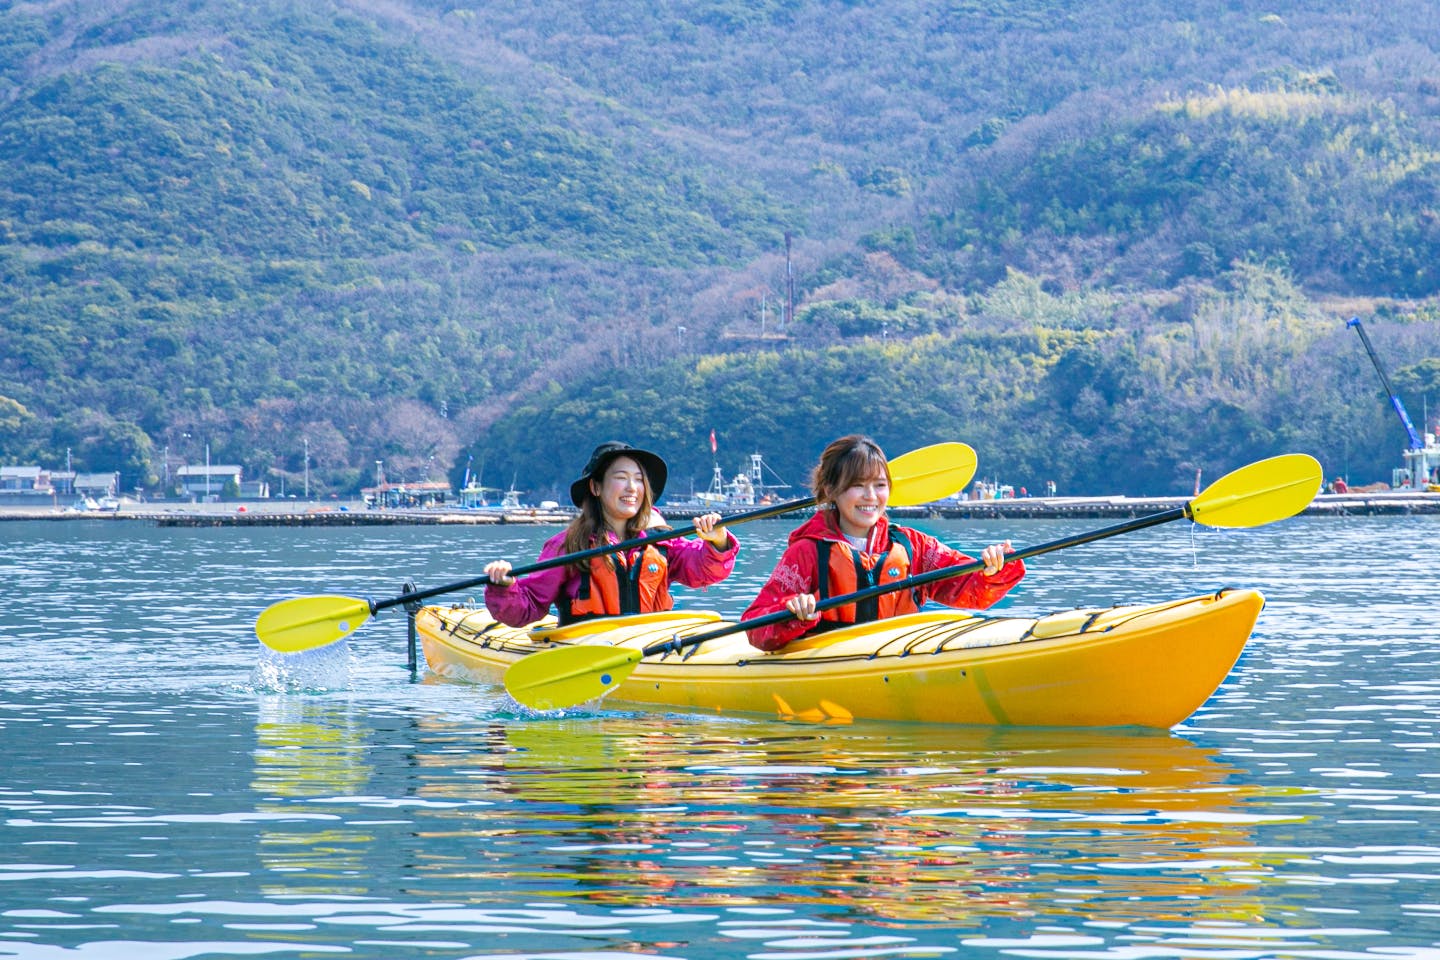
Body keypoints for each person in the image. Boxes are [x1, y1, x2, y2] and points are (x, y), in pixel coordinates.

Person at [742, 434, 1025, 651]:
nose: (870, 496)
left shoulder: (913, 545)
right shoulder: (807, 551)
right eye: (857, 485)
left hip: (897, 654)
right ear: (831, 490)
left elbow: (967, 589)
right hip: (830, 661)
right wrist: (794, 610)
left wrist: (993, 570)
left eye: (879, 485)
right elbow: (756, 626)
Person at [484, 441, 738, 627]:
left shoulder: (661, 540)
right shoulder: (568, 545)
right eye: (621, 477)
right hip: (588, 647)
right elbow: (526, 608)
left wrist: (718, 540)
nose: (632, 487)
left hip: (650, 643)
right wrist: (504, 587)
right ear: (595, 487)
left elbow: (703, 570)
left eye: (639, 479)